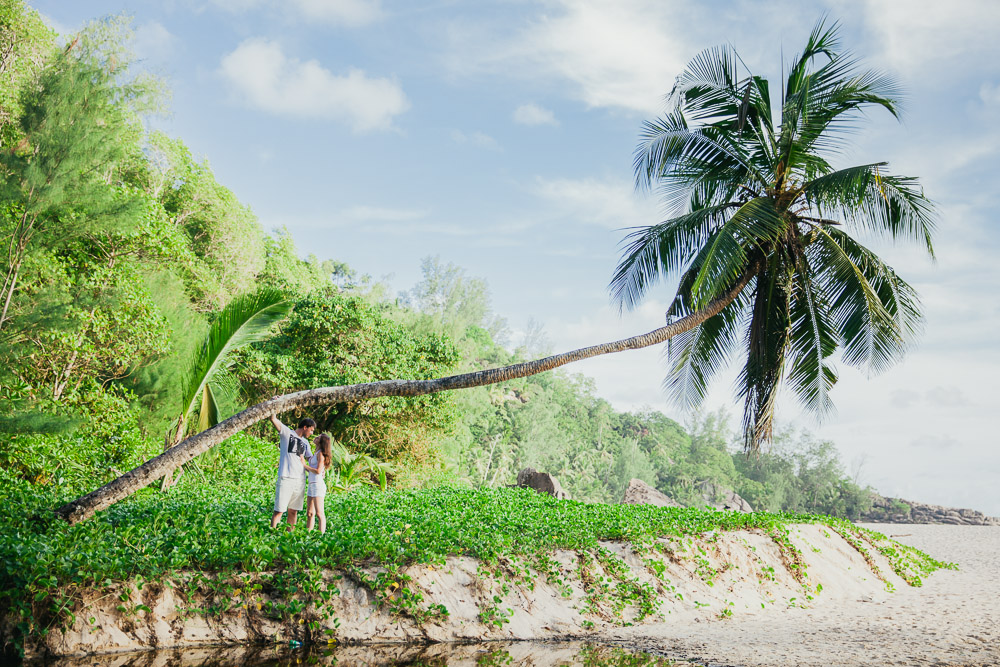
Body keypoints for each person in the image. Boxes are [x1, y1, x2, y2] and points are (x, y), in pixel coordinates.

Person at [269, 414, 315, 530]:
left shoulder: (306, 443)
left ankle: (289, 537)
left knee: (293, 511)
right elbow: (273, 419)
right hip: (286, 477)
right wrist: (275, 404)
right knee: (279, 511)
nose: (312, 433)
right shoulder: (287, 433)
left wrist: (321, 468)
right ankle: (273, 534)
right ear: (305, 427)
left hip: (300, 480)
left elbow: (311, 459)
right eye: (311, 430)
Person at [301, 433, 333, 533]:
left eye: (319, 437)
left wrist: (304, 465)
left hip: (317, 485)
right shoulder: (316, 452)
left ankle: (321, 535)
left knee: (319, 513)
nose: (316, 437)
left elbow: (318, 471)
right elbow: (313, 470)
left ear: (321, 441)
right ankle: (308, 534)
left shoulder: (320, 454)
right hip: (312, 484)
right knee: (310, 513)